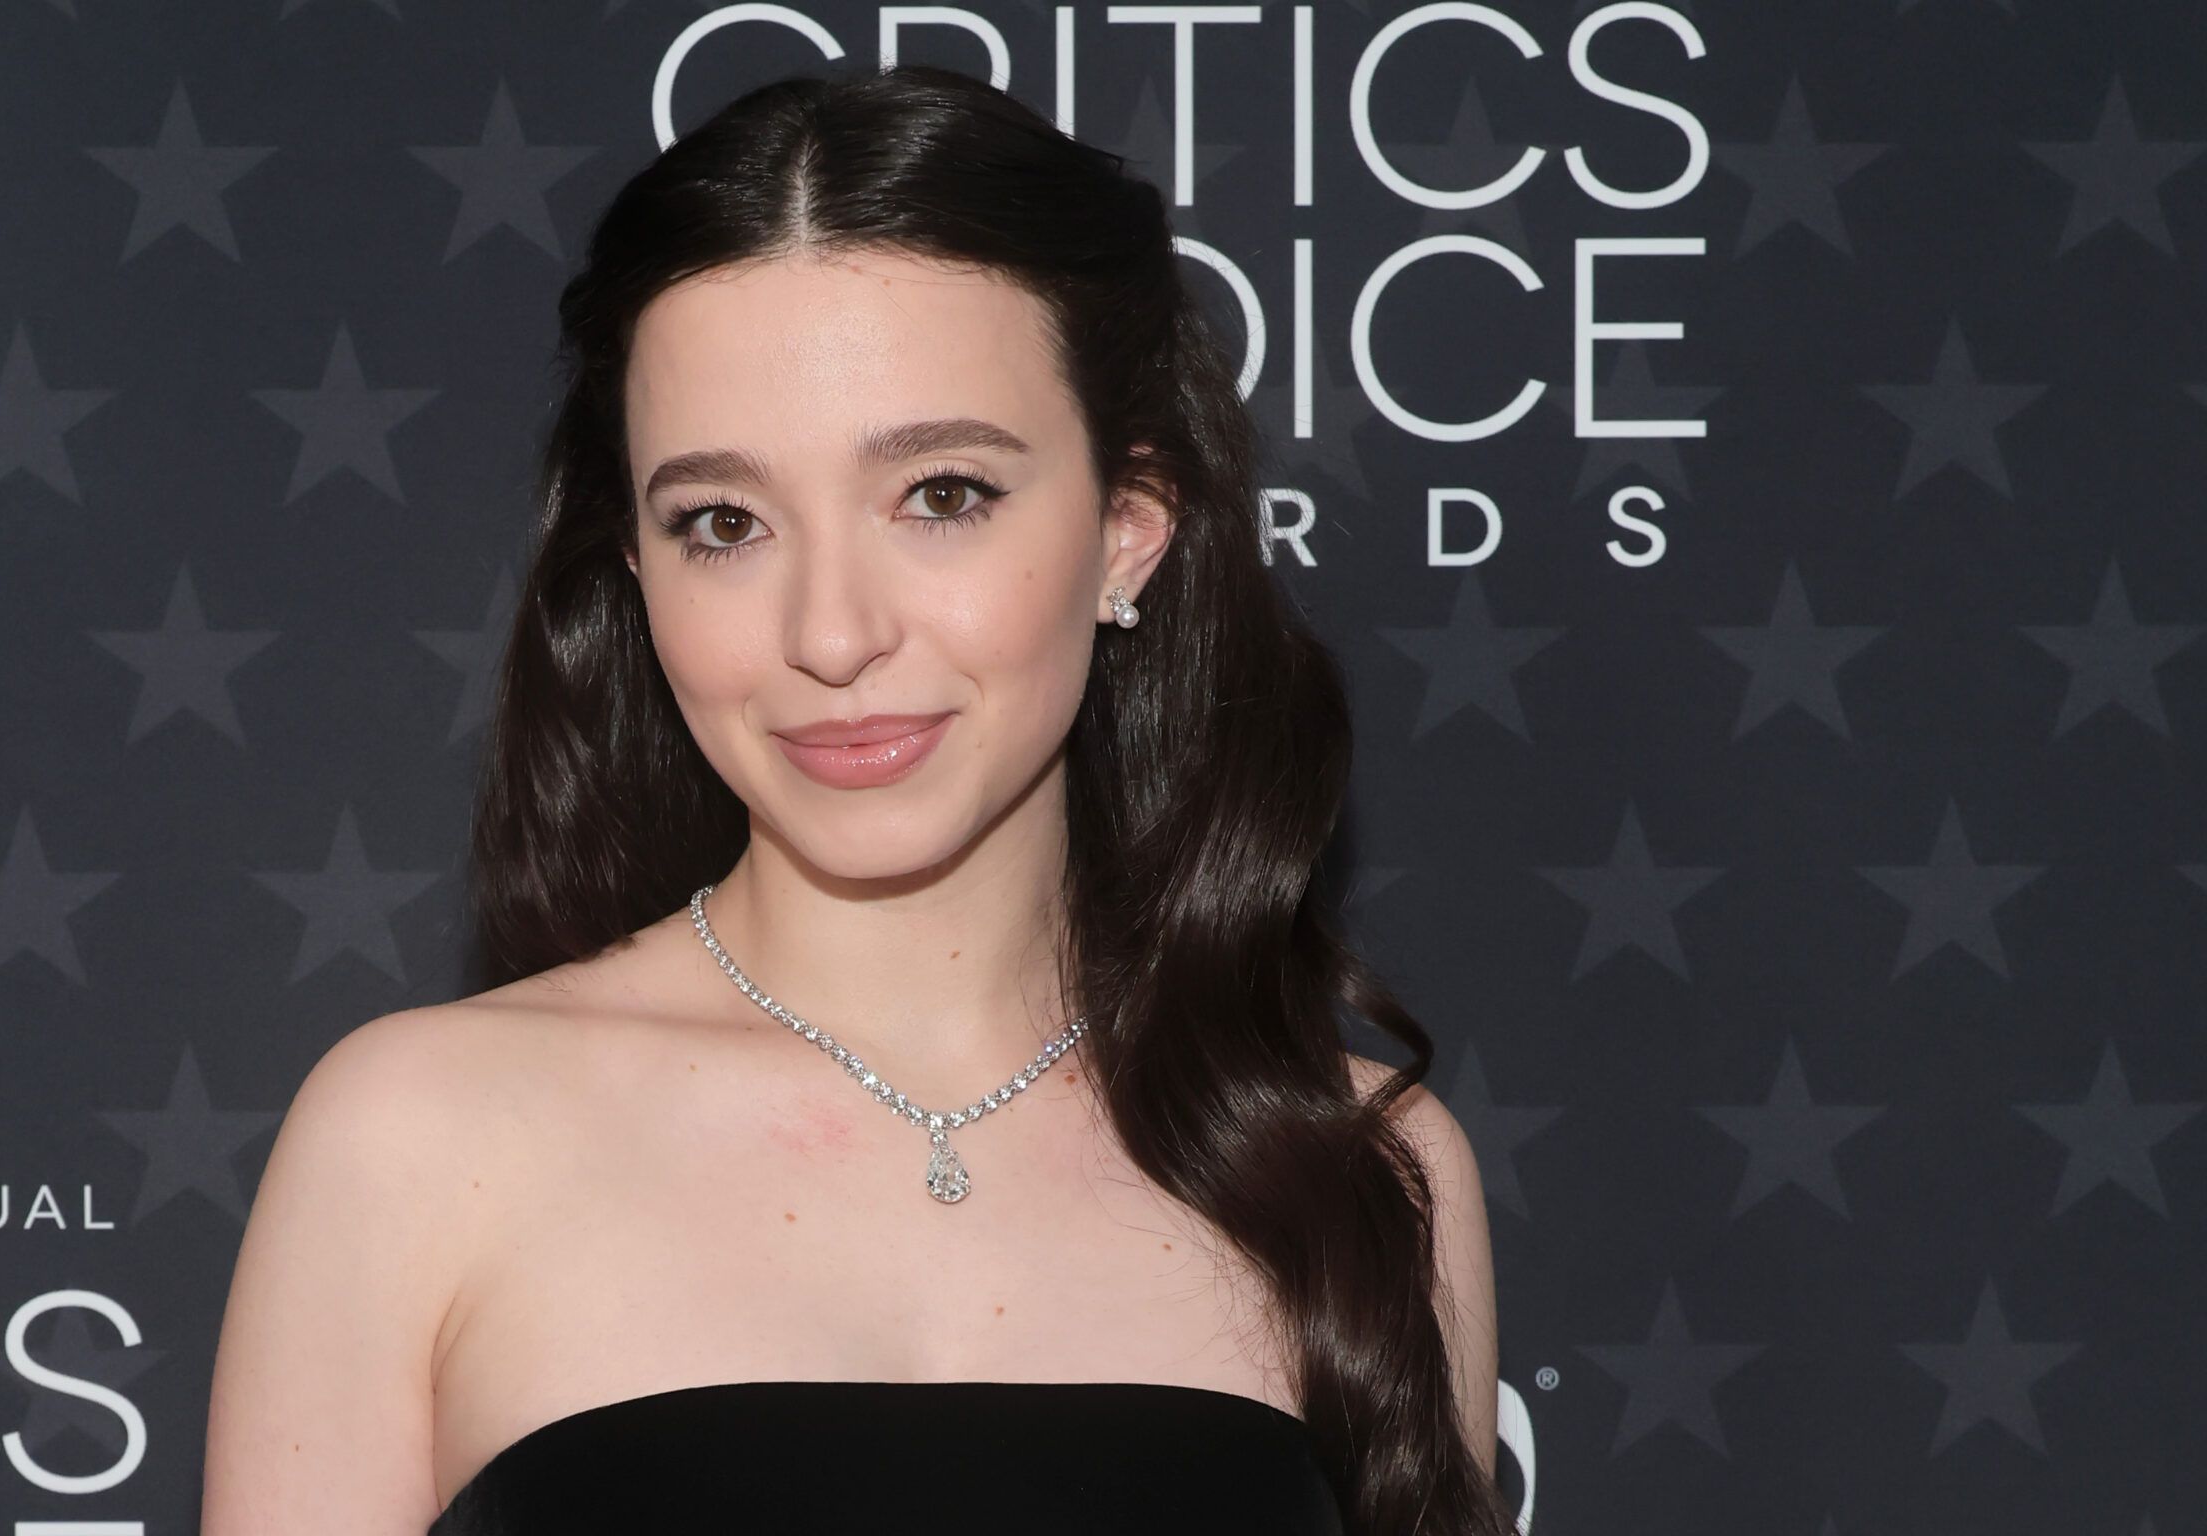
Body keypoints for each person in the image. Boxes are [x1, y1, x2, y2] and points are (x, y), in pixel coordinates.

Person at [201, 62, 1506, 1536]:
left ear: (1129, 532)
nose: (831, 633)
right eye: (724, 523)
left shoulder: (1360, 1168)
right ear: (637, 571)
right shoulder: (419, 1139)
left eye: (942, 494)